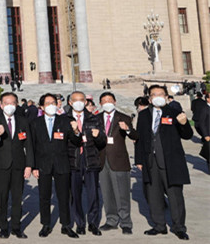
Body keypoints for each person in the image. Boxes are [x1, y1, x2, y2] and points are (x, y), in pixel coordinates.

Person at [135, 85, 193, 240]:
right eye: (154, 94)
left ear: (167, 96)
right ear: (149, 98)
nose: (157, 96)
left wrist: (184, 123)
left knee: (175, 196)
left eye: (160, 94)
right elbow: (139, 139)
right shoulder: (144, 115)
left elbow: (187, 135)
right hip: (150, 161)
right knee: (153, 195)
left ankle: (179, 227)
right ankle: (159, 225)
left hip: (171, 161)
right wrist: (139, 160)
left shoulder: (174, 113)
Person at [31, 93, 82, 238]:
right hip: (43, 165)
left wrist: (76, 130)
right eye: (47, 103)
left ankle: (66, 225)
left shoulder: (65, 121)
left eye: (53, 102)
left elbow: (76, 142)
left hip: (62, 164)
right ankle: (46, 224)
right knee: (44, 196)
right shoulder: (35, 123)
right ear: (41, 107)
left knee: (64, 196)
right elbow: (32, 146)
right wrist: (34, 166)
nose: (51, 105)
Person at [0, 92, 34, 239]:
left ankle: (16, 226)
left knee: (17, 197)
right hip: (1, 164)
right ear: (1, 105)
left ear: (17, 104)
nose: (9, 106)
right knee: (2, 197)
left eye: (12, 103)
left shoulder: (23, 120)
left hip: (19, 164)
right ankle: (3, 226)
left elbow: (29, 144)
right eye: (6, 103)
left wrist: (29, 165)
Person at [66, 91, 107, 236]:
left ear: (85, 102)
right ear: (70, 102)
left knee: (93, 194)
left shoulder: (93, 118)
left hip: (90, 159)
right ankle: (80, 223)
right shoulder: (65, 118)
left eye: (81, 100)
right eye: (75, 100)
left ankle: (93, 223)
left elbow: (103, 141)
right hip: (73, 160)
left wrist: (99, 136)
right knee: (75, 195)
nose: (79, 102)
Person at [98, 92, 138, 235]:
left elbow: (135, 135)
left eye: (109, 100)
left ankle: (126, 222)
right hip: (102, 160)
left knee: (122, 193)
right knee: (107, 192)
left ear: (114, 102)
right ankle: (111, 220)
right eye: (104, 101)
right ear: (100, 104)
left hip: (119, 160)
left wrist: (127, 129)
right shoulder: (96, 118)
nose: (107, 102)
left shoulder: (124, 117)